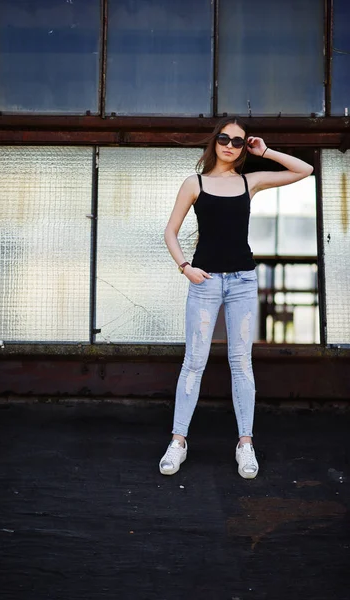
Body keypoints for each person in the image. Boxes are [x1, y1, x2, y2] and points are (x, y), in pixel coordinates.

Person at [159, 116, 313, 479]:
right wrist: (185, 267)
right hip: (205, 280)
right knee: (194, 361)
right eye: (224, 138)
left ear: (245, 147)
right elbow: (170, 230)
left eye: (239, 141)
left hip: (243, 280)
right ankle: (178, 441)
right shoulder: (194, 183)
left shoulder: (250, 182)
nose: (230, 145)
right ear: (215, 141)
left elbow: (303, 169)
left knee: (241, 363)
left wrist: (266, 151)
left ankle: (245, 444)